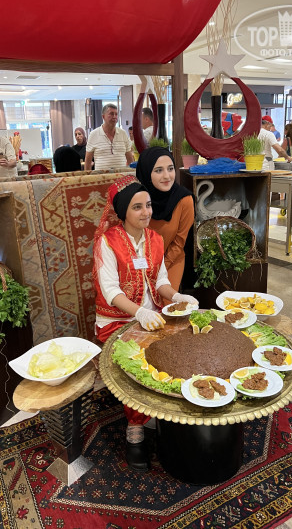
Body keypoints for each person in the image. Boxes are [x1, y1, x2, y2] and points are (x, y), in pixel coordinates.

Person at [93, 175, 197, 470]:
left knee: (181, 346)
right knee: (137, 361)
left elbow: (160, 280)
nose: (146, 212)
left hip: (153, 314)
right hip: (118, 319)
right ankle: (135, 428)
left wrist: (177, 296)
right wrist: (139, 313)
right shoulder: (107, 242)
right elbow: (110, 291)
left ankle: (163, 410)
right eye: (137, 207)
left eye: (148, 205)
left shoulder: (155, 239)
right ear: (123, 211)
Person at [136, 147, 194, 292]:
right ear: (146, 173)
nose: (167, 176)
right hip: (139, 262)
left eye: (170, 169)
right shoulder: (135, 200)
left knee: (166, 302)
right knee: (138, 299)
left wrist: (160, 270)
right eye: (158, 170)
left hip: (171, 260)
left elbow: (179, 242)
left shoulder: (185, 200)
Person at [85, 104, 134, 171]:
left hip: (121, 175)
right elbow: (88, 160)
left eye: (116, 114)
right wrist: (87, 175)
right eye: (111, 114)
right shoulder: (93, 134)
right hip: (101, 176)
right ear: (103, 116)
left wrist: (132, 173)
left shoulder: (123, 133)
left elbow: (129, 158)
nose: (114, 117)